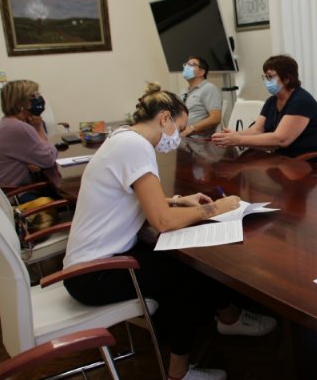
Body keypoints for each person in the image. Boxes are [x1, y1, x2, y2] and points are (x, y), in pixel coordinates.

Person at [63, 83, 276, 380]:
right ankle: (181, 371)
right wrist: (216, 208)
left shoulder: (123, 137)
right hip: (94, 274)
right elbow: (162, 221)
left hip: (89, 265)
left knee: (177, 263)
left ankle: (227, 318)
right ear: (165, 118)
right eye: (180, 127)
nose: (179, 135)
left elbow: (131, 196)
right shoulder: (136, 147)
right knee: (187, 274)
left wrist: (177, 200)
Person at [211, 55, 317, 163]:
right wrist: (232, 135)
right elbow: (257, 130)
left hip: (307, 162)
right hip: (284, 159)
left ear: (287, 78)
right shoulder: (272, 101)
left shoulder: (301, 101)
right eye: (265, 77)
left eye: (270, 76)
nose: (267, 81)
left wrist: (238, 140)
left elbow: (281, 139)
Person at [0, 80, 57, 201]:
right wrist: (39, 129)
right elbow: (49, 158)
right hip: (15, 196)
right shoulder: (19, 128)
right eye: (33, 96)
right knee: (62, 197)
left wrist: (28, 162)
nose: (38, 99)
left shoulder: (7, 123)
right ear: (21, 102)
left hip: (1, 195)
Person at [181, 56, 223, 137]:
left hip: (197, 140)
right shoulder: (183, 91)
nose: (186, 67)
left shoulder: (209, 88)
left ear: (202, 72)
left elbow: (215, 118)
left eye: (192, 64)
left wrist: (192, 128)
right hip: (182, 138)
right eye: (186, 64)